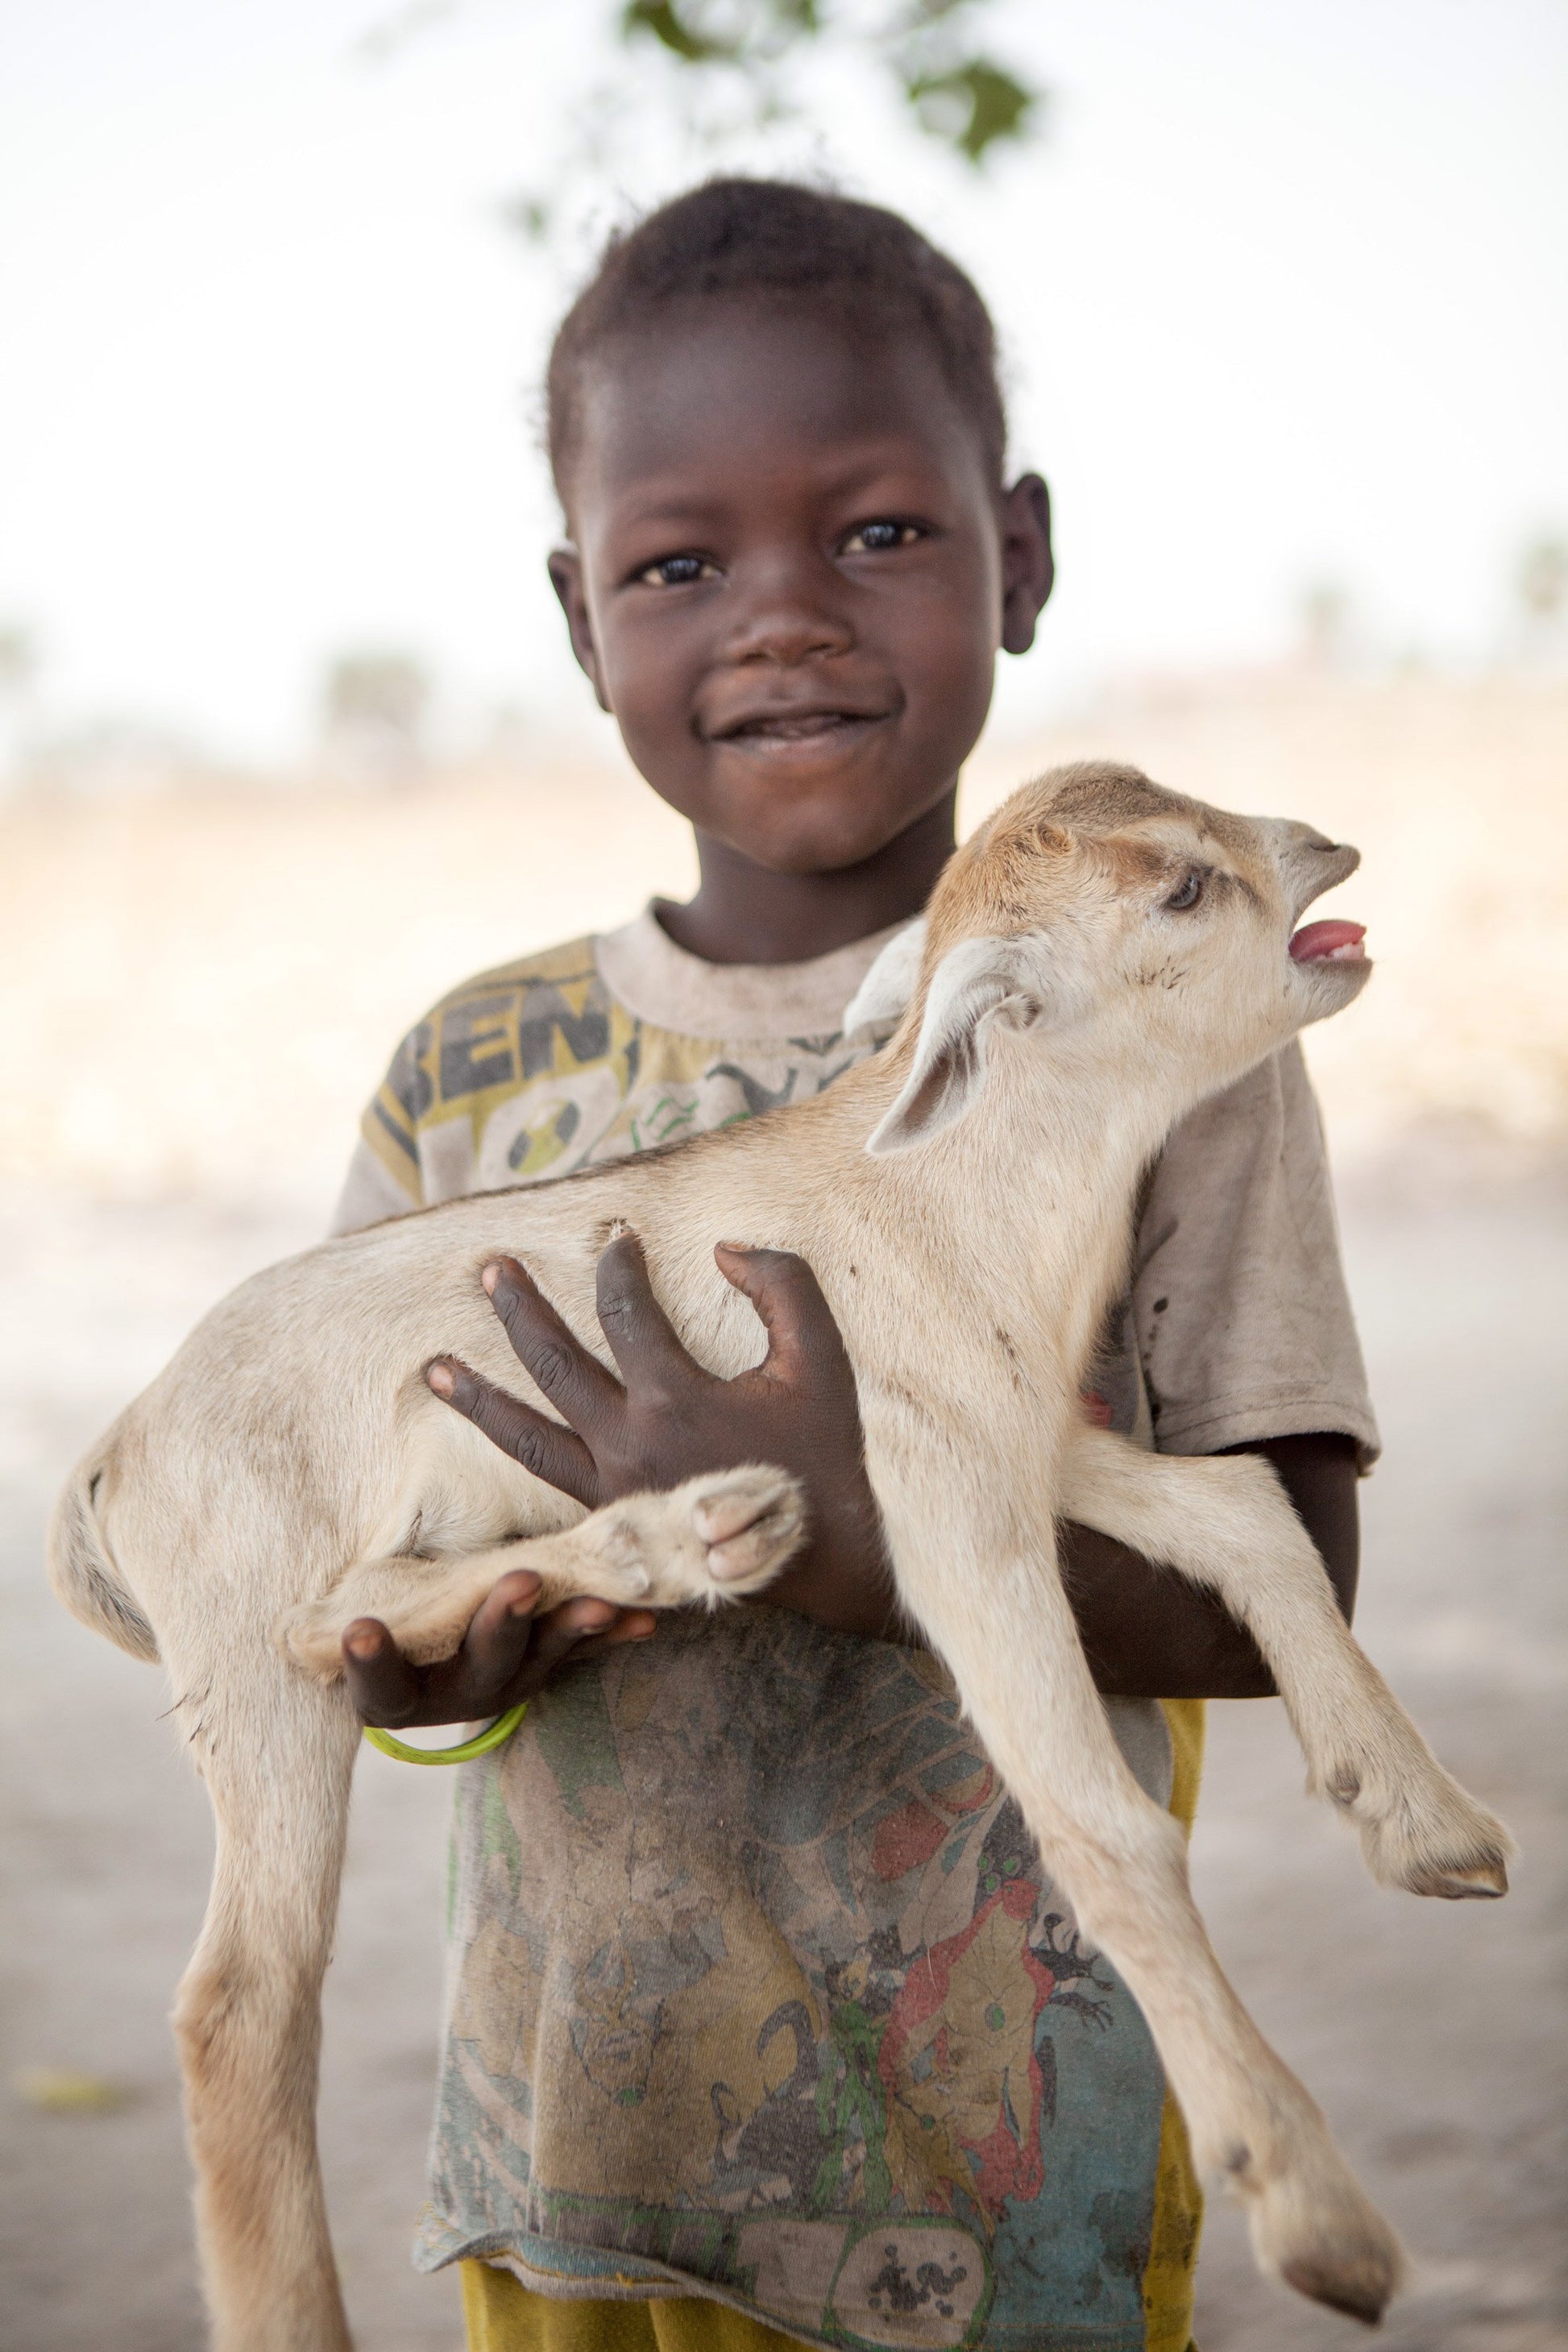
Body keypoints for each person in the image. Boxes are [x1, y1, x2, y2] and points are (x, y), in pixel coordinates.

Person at [332, 180, 1379, 2352]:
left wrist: (856, 1512)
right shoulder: (472, 1074)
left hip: (1005, 2187)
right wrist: (429, 1667)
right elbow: (387, 1569)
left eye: (878, 535)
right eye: (679, 562)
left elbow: (1293, 1589)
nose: (782, 617)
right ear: (573, 613)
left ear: (1021, 552)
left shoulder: (1168, 1031)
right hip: (579, 2173)